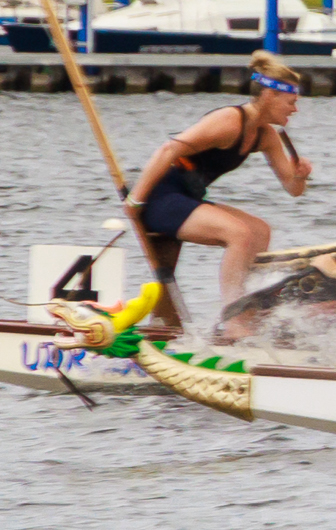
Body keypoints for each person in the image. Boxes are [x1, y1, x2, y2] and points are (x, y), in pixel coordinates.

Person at [121, 68, 311, 334]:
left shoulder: (265, 135)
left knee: (259, 231)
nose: (294, 110)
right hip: (159, 197)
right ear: (270, 95)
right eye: (291, 102)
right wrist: (135, 201)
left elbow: (293, 189)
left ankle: (249, 309)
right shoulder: (230, 120)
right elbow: (168, 149)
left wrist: (300, 176)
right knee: (239, 233)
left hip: (186, 198)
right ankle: (233, 319)